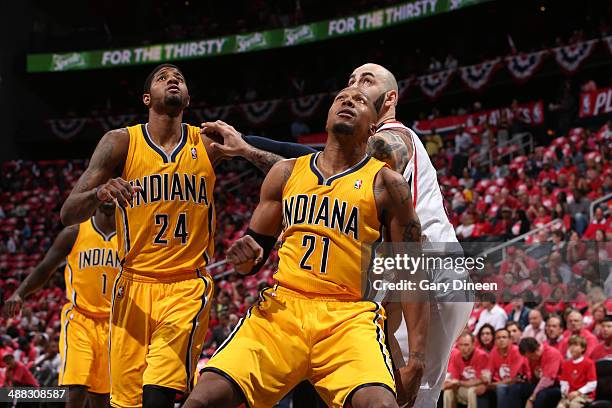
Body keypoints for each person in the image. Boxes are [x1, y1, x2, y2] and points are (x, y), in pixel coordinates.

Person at [241, 62, 473, 408]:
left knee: (409, 393)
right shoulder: (361, 155)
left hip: (429, 272)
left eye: (367, 80)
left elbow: (316, 168)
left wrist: (247, 146)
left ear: (390, 97)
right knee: (377, 388)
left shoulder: (395, 136)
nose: (356, 86)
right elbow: (321, 169)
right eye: (350, 80)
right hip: (400, 277)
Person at [184, 87, 426, 408]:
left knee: (380, 404)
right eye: (341, 98)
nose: (348, 101)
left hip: (348, 317)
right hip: (283, 310)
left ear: (372, 128)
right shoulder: (286, 172)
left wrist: (417, 359)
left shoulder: (387, 184)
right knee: (203, 397)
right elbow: (251, 259)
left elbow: (413, 273)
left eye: (360, 101)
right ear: (326, 119)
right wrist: (244, 257)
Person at [58, 64, 277, 408]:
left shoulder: (207, 142)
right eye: (163, 78)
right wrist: (100, 193)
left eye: (179, 78)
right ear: (147, 98)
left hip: (185, 286)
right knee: (126, 402)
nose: (173, 79)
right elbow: (68, 213)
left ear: (187, 97)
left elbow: (293, 177)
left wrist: (245, 150)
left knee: (158, 392)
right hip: (131, 285)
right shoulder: (120, 142)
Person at [3, 205, 117, 408]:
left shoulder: (131, 236)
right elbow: (45, 268)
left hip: (113, 323)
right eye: (105, 186)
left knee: (102, 397)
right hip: (80, 319)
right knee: (77, 388)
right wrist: (20, 292)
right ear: (95, 194)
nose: (110, 193)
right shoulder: (74, 233)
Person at [510, 337, 562, 408]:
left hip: (556, 386)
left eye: (531, 357)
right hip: (539, 384)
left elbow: (548, 380)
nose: (530, 359)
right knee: (515, 389)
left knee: (541, 395)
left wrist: (531, 398)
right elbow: (533, 378)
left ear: (537, 350)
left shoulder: (552, 353)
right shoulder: (531, 356)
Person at [442, 333, 489, 408]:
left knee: (472, 391)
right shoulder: (456, 356)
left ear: (473, 344)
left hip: (478, 390)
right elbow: (453, 380)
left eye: (466, 345)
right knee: (448, 392)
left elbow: (482, 380)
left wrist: (459, 382)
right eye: (461, 345)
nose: (463, 348)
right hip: (463, 388)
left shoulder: (482, 356)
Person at [487, 328, 530, 408]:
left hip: (521, 382)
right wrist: (485, 381)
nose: (501, 340)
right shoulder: (494, 351)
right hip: (502, 382)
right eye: (498, 338)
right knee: (478, 390)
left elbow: (513, 379)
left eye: (504, 337)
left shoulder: (517, 351)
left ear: (510, 340)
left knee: (501, 388)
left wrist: (493, 384)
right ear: (495, 341)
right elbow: (489, 371)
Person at [557, 336, 597, 408]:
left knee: (574, 405)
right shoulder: (566, 364)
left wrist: (578, 392)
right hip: (570, 394)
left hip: (584, 395)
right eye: (570, 345)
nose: (572, 348)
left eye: (575, 345)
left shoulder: (589, 363)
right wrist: (564, 392)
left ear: (583, 348)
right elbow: (564, 381)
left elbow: (592, 384)